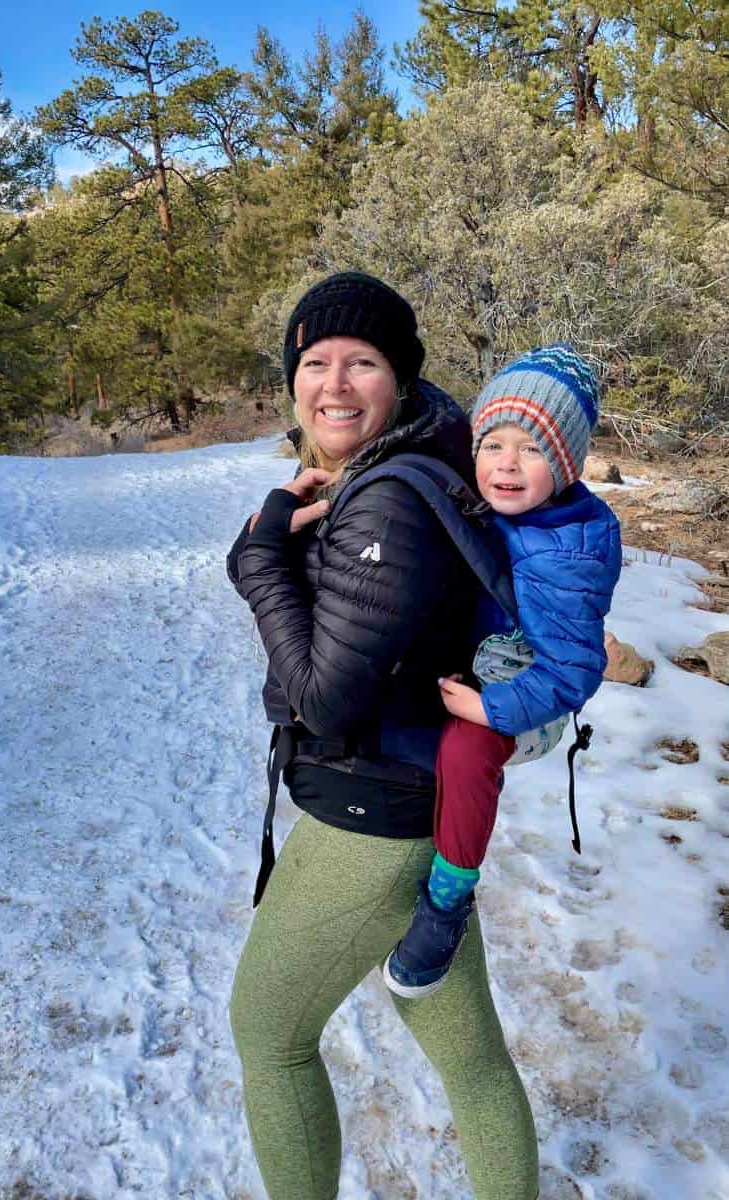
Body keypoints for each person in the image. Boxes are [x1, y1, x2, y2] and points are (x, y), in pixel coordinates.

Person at [227, 272, 539, 1200]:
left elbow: (324, 698)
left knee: (269, 1036)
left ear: (400, 377)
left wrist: (259, 561)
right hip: (423, 804)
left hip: (374, 818)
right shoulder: (401, 465)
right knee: (471, 1057)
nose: (332, 384)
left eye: (361, 363)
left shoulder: (393, 500)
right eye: (313, 361)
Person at [383, 345, 622, 1000]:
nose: (508, 463)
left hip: (534, 697)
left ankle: (446, 901)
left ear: (567, 465)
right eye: (494, 443)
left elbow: (574, 668)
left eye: (533, 449)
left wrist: (494, 712)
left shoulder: (567, 549)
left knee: (464, 751)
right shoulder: (495, 506)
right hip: (488, 665)